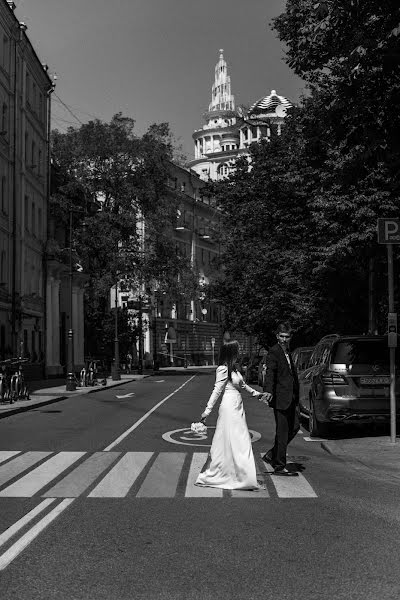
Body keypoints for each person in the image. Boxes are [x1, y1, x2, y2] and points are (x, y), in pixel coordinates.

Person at [195, 340, 266, 490]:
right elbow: (217, 390)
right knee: (237, 441)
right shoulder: (222, 369)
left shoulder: (233, 369)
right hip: (229, 408)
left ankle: (243, 477)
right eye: (237, 349)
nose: (240, 352)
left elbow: (242, 385)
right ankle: (229, 476)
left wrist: (257, 394)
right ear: (231, 352)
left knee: (240, 442)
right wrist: (207, 411)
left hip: (237, 407)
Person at [260, 322, 300, 476]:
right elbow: (270, 373)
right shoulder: (274, 352)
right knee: (282, 432)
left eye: (287, 337)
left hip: (291, 398)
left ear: (290, 337)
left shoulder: (288, 352)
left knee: (295, 427)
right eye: (282, 336)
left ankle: (272, 454)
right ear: (277, 336)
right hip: (281, 399)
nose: (284, 339)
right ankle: (279, 466)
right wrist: (268, 391)